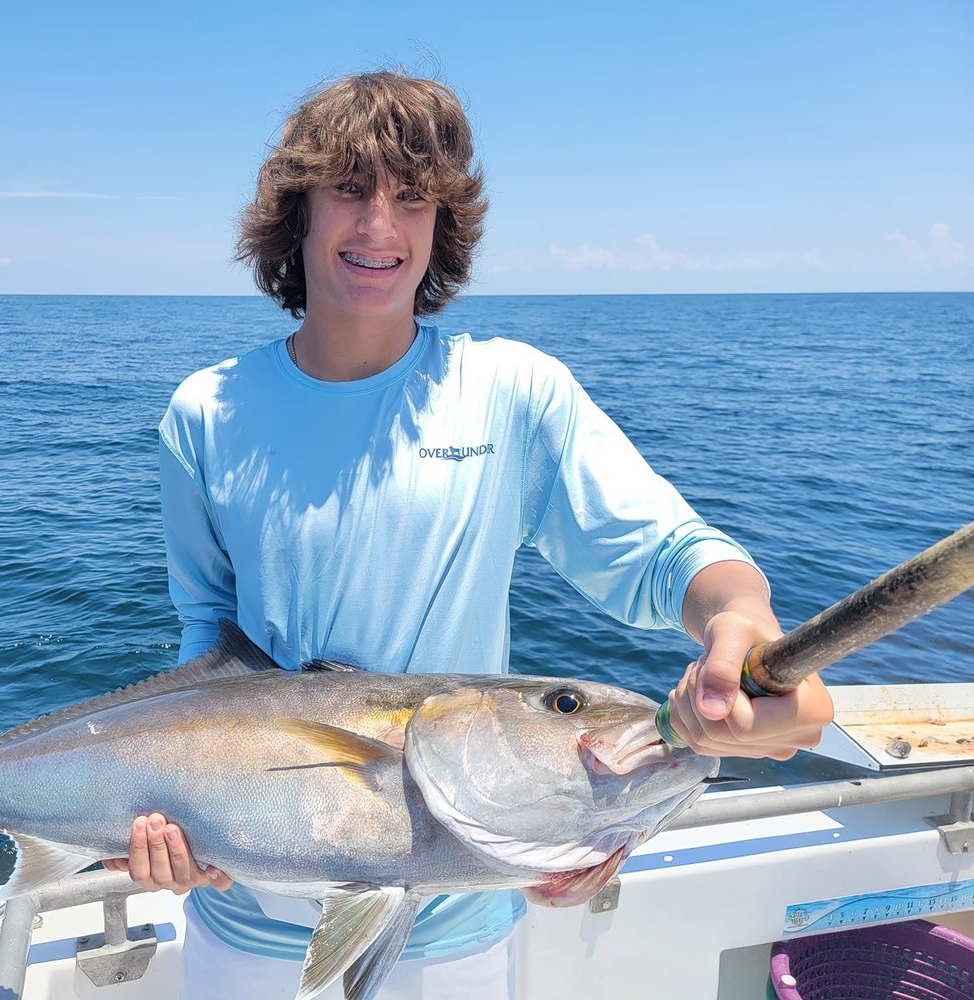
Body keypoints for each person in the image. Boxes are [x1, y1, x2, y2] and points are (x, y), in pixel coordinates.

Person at [103, 71, 834, 998]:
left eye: (412, 197)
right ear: (295, 213)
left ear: (443, 224)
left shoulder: (510, 392)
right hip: (241, 913)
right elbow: (206, 638)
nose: (379, 225)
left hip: (454, 928)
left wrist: (740, 617)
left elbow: (663, 554)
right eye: (349, 190)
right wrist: (174, 819)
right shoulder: (204, 412)